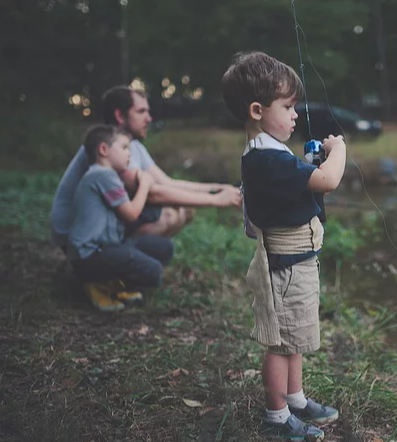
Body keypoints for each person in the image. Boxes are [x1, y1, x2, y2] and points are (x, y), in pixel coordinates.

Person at [221, 51, 347, 440]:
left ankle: (295, 398)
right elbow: (326, 181)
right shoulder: (266, 158)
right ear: (257, 110)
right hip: (287, 267)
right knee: (280, 344)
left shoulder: (271, 153)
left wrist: (309, 161)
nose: (295, 114)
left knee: (294, 338)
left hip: (298, 262)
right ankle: (277, 418)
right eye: (288, 106)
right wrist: (338, 150)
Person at [50, 85, 241, 249]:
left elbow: (167, 182)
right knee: (169, 215)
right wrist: (217, 201)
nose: (149, 118)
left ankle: (130, 265)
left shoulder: (132, 145)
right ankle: (111, 271)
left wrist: (218, 188)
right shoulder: (110, 149)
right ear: (119, 115)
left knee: (184, 209)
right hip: (73, 234)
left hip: (99, 224)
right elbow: (153, 193)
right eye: (141, 112)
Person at [67, 125, 174, 311]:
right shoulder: (102, 175)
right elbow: (132, 213)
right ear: (103, 150)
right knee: (153, 271)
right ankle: (97, 284)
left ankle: (111, 281)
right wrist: (145, 184)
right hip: (89, 256)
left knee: (165, 247)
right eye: (124, 148)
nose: (129, 154)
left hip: (108, 248)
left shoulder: (107, 175)